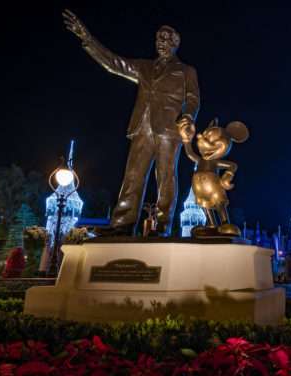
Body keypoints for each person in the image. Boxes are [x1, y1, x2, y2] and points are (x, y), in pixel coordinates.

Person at [63, 10, 200, 236]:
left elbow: (193, 99)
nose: (161, 43)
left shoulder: (186, 71)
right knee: (133, 175)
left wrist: (187, 116)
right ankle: (122, 224)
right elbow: (115, 63)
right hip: (141, 127)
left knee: (165, 177)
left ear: (176, 43)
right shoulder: (144, 67)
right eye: (158, 39)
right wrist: (86, 38)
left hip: (168, 128)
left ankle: (163, 226)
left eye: (166, 39)